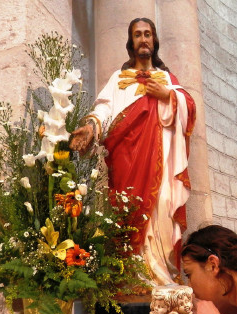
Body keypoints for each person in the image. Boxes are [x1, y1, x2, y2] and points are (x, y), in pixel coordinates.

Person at [70, 17, 196, 285]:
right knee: (126, 213)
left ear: (154, 40)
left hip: (159, 162)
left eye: (148, 33)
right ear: (131, 42)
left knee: (162, 206)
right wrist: (91, 127)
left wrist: (167, 96)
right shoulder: (118, 79)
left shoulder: (166, 79)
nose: (143, 39)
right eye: (138, 34)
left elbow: (189, 108)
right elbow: (103, 108)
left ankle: (162, 278)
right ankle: (129, 281)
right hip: (126, 162)